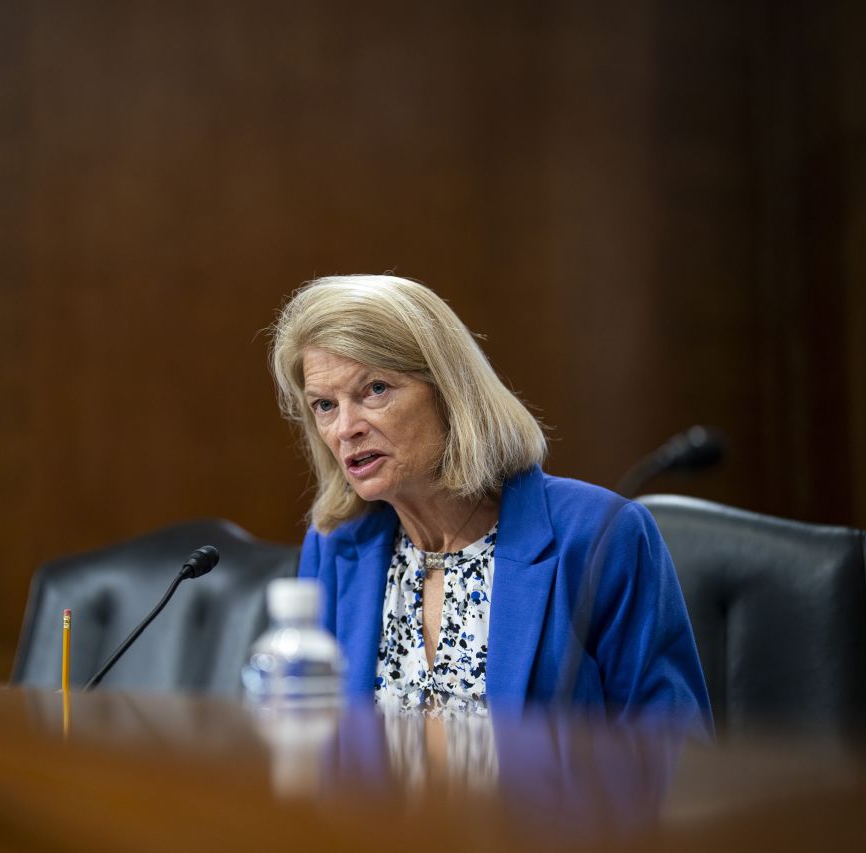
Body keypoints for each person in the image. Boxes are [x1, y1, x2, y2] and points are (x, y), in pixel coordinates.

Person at [269, 274, 711, 728]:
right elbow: (312, 751)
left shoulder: (600, 535)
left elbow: (674, 755)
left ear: (449, 392)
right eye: (324, 405)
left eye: (375, 389)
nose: (345, 428)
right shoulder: (336, 547)